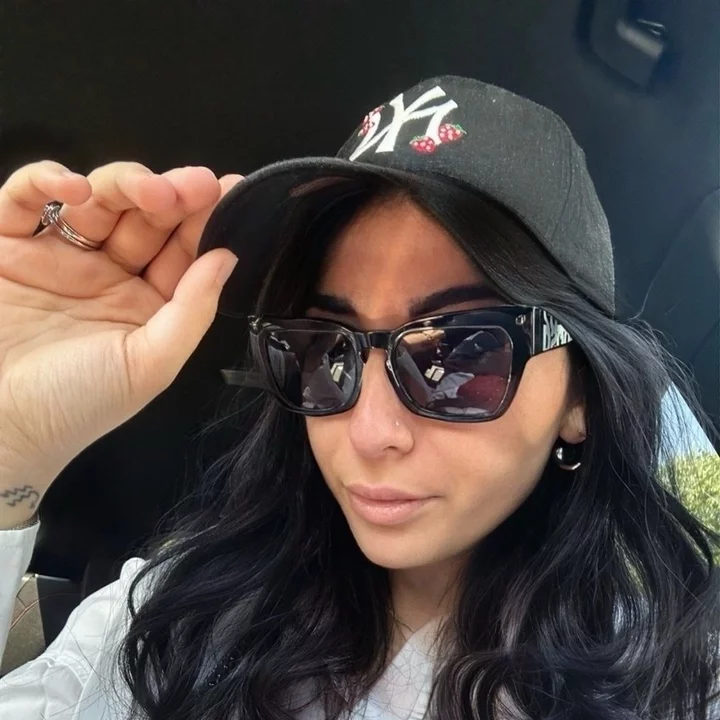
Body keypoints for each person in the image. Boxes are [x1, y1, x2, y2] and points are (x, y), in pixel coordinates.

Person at [0, 75, 718, 720]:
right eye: (324, 350)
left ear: (579, 396)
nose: (369, 432)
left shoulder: (675, 683)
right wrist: (13, 445)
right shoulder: (169, 617)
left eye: (459, 355)